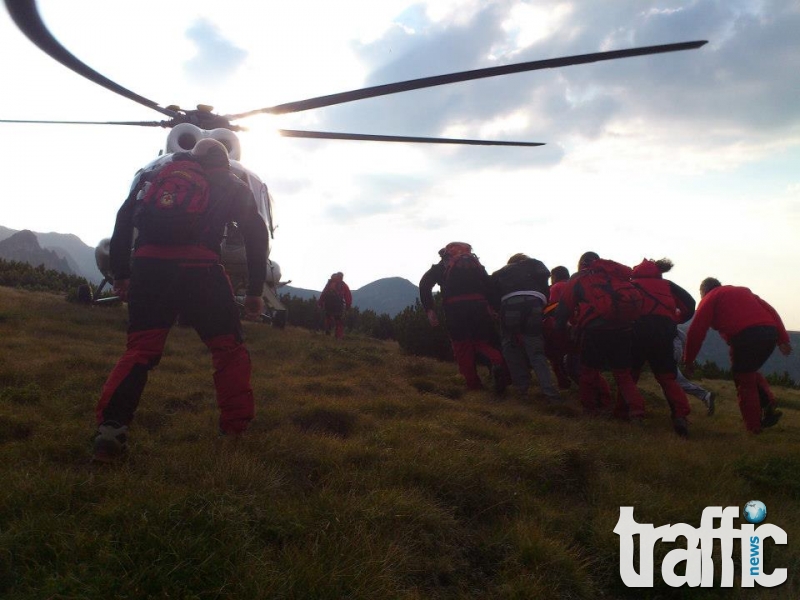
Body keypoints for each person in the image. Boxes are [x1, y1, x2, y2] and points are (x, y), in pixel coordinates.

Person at [92, 138, 267, 462]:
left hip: (148, 269)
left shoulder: (156, 177)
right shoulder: (230, 183)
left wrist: (121, 273)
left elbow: (123, 218)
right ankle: (235, 430)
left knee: (140, 350)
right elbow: (257, 235)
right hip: (200, 271)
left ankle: (110, 430)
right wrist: (255, 290)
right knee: (228, 350)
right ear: (223, 162)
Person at [683, 277, 792, 434]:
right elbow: (771, 311)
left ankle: (753, 427)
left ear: (703, 292)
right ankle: (768, 404)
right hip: (770, 333)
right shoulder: (742, 291)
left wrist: (688, 360)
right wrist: (783, 339)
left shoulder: (710, 297)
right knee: (748, 371)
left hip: (746, 337)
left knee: (744, 380)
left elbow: (696, 331)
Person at [554, 252, 646, 419]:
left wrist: (559, 329)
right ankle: (636, 410)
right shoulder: (615, 276)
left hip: (595, 331)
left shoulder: (580, 278)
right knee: (623, 374)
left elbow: (564, 307)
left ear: (581, 263)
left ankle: (590, 410)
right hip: (623, 330)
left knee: (588, 371)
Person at [420, 242, 507, 391]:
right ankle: (497, 363)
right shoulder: (476, 266)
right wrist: (493, 308)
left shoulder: (442, 266)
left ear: (446, 253)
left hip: (454, 309)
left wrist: (430, 309)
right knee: (482, 342)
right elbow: (489, 286)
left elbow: (424, 284)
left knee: (462, 346)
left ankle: (473, 385)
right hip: (479, 307)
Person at [629, 258, 696, 436]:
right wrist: (675, 320)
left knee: (630, 374)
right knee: (667, 377)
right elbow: (690, 305)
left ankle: (632, 413)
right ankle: (680, 415)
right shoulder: (667, 284)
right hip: (664, 332)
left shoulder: (631, 284)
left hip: (638, 331)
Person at [491, 253, 560, 401]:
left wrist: (499, 311)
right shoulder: (535, 267)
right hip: (535, 303)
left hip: (509, 305)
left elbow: (492, 291)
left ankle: (522, 390)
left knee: (510, 347)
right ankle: (550, 393)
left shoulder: (503, 271)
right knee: (536, 351)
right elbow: (545, 289)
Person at [543, 266, 574, 389]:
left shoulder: (556, 287)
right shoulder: (573, 285)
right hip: (577, 324)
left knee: (554, 355)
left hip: (560, 326)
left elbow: (554, 307)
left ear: (554, 276)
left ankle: (563, 381)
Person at [673, 328, 715, 415]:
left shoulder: (654, 320)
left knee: (670, 382)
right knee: (677, 381)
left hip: (667, 355)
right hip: (675, 353)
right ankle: (705, 396)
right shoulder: (670, 321)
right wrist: (687, 358)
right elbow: (684, 338)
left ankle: (680, 412)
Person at [318, 272, 352, 339]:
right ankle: (338, 337)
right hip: (338, 305)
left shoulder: (330, 284)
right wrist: (348, 306)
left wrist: (320, 303)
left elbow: (324, 293)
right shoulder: (343, 285)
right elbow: (348, 297)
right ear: (341, 277)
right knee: (339, 321)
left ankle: (327, 333)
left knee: (328, 318)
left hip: (328, 304)